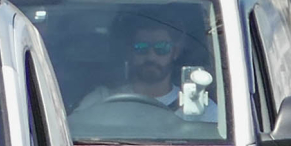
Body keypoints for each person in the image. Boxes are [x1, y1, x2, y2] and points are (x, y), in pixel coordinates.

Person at [79, 17, 217, 121]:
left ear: (175, 52)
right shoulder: (101, 100)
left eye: (161, 48)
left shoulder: (199, 107)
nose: (151, 56)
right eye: (141, 48)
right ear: (129, 52)